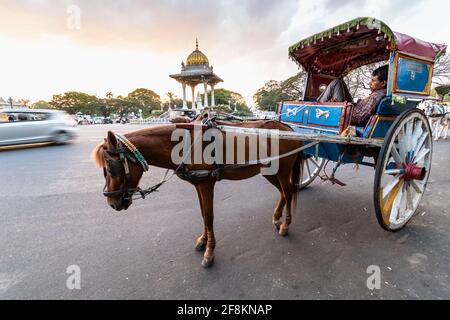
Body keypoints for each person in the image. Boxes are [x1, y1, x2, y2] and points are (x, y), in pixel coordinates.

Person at [317, 65, 389, 126]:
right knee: (340, 82)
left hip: (348, 114)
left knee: (336, 82)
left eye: (373, 81)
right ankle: (319, 103)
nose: (369, 83)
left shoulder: (376, 96)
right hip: (352, 108)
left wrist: (337, 108)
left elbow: (359, 119)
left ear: (383, 83)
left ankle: (317, 106)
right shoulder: (381, 93)